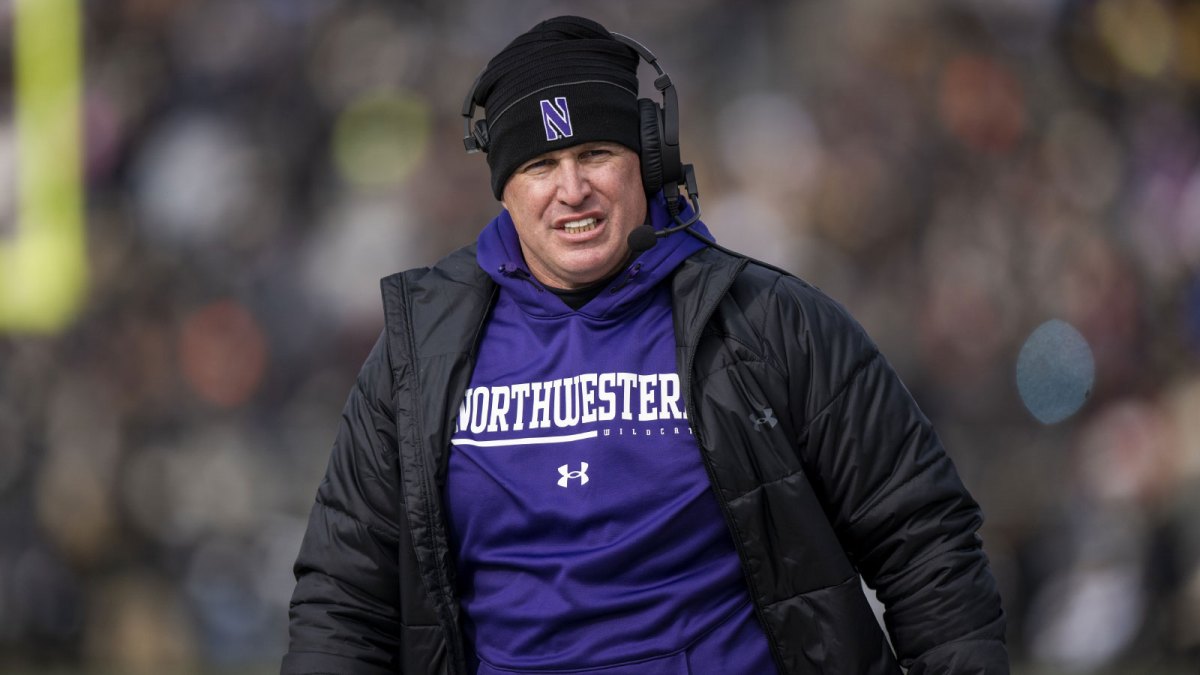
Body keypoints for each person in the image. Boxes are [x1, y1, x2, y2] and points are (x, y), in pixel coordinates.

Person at [282, 15, 1008, 675]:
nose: (572, 190)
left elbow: (922, 534)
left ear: (649, 159)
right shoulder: (420, 355)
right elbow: (344, 597)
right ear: (503, 188)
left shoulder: (771, 321)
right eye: (540, 165)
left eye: (595, 152)